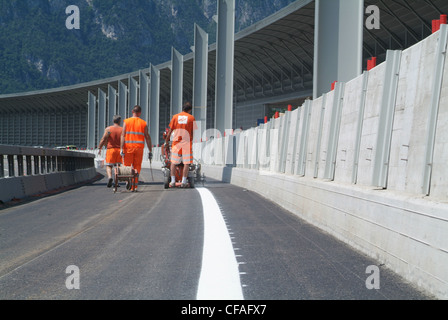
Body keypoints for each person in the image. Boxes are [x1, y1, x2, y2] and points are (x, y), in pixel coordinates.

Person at [165, 102, 197, 188]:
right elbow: (192, 132)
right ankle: (183, 181)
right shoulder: (191, 118)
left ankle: (172, 181)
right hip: (186, 143)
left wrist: (167, 141)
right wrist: (191, 141)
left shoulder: (175, 117)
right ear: (190, 110)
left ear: (183, 108)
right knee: (186, 163)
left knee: (173, 162)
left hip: (176, 143)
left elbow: (170, 131)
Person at [120, 105, 153, 191]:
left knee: (127, 166)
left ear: (132, 111)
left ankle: (128, 181)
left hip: (128, 148)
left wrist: (121, 148)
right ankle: (134, 187)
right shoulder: (143, 123)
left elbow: (123, 135)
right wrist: (150, 150)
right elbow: (147, 137)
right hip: (139, 148)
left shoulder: (126, 122)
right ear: (140, 113)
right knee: (137, 166)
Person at [98, 115, 123, 188]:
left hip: (110, 150)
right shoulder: (122, 129)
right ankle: (116, 182)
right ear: (119, 121)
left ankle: (109, 177)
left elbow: (103, 139)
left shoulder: (108, 129)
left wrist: (100, 147)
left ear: (113, 121)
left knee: (109, 165)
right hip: (119, 150)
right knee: (118, 166)